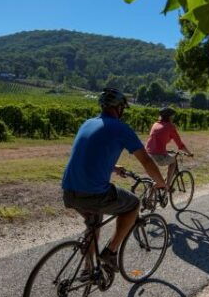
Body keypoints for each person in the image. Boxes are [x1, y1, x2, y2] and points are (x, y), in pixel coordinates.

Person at [62, 88, 167, 272]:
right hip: (93, 194)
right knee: (133, 204)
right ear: (119, 108)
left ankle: (88, 270)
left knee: (93, 225)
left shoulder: (87, 123)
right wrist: (161, 183)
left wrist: (113, 167)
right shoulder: (121, 128)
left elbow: (90, 155)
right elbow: (146, 161)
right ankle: (110, 252)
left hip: (69, 191)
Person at [145, 107, 193, 189]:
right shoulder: (170, 126)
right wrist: (190, 153)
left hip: (146, 154)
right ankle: (167, 185)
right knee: (173, 161)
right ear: (169, 117)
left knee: (156, 178)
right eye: (172, 116)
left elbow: (158, 140)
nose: (173, 118)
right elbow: (180, 145)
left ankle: (151, 195)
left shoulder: (155, 124)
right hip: (158, 155)